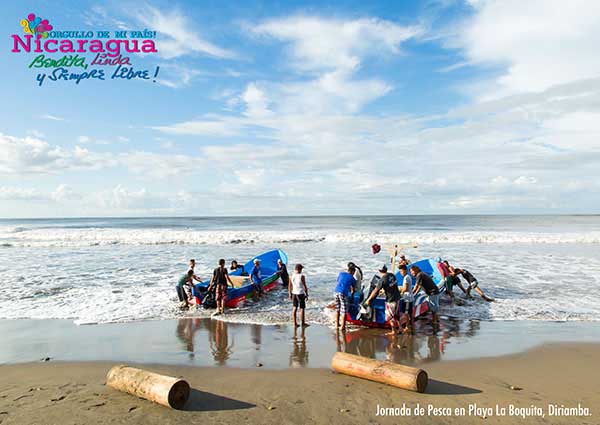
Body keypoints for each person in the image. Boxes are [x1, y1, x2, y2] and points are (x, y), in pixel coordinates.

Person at [365, 265, 402, 336]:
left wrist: (369, 300)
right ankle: (400, 328)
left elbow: (375, 291)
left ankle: (394, 331)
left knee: (391, 317)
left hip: (391, 300)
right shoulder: (392, 275)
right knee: (396, 314)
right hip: (397, 298)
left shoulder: (382, 280)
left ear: (380, 271)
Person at [334, 264, 356, 331]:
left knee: (338, 309)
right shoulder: (352, 278)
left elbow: (338, 281)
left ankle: (337, 324)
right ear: (353, 272)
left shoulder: (341, 273)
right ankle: (342, 327)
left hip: (336, 291)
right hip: (343, 293)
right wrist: (352, 295)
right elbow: (353, 289)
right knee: (344, 310)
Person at [289, 264, 309, 328]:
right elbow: (305, 286)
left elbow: (289, 286)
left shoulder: (291, 276)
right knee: (302, 308)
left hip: (294, 293)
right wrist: (307, 294)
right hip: (300, 293)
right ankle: (303, 323)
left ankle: (295, 323)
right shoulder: (302, 276)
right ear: (300, 269)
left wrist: (290, 294)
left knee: (294, 308)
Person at [398, 264, 414, 333]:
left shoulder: (406, 278)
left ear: (405, 270)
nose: (401, 273)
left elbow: (405, 288)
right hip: (410, 297)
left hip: (407, 298)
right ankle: (411, 325)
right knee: (410, 313)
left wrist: (400, 291)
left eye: (401, 271)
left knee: (406, 313)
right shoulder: (408, 277)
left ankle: (407, 327)